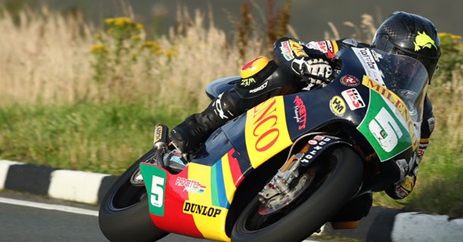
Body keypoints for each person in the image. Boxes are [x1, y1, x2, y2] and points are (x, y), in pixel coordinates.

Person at [170, 11, 441, 200]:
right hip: (302, 109)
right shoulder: (350, 49)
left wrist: (400, 175)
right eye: (404, 61)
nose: (408, 72)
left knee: (360, 205)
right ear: (384, 47)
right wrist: (306, 63)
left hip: (351, 152)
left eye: (420, 68)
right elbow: (289, 47)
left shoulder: (422, 118)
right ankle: (198, 126)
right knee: (275, 72)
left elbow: (408, 181)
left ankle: (305, 199)